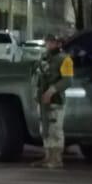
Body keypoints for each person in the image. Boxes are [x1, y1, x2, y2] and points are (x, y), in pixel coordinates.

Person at [33, 33, 73, 169]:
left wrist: (52, 90)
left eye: (52, 42)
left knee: (55, 129)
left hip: (55, 100)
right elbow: (38, 76)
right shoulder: (44, 58)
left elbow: (67, 80)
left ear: (58, 44)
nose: (49, 45)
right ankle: (47, 157)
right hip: (42, 100)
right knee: (44, 129)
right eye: (47, 42)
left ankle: (56, 159)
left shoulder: (65, 59)